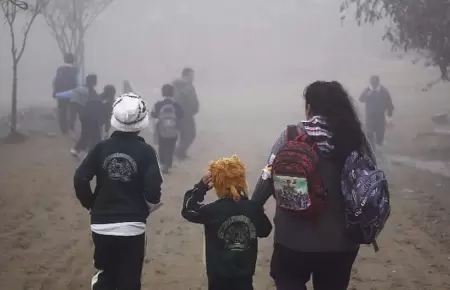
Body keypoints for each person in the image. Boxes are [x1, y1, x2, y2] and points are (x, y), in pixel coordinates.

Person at [252, 81, 367, 290]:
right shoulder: (353, 139)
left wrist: (253, 207)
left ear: (310, 107)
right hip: (340, 242)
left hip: (292, 239)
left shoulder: (291, 135)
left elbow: (267, 175)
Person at [73, 92, 163, 290]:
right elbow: (153, 192)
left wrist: (91, 203)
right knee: (130, 278)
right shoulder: (147, 152)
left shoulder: (101, 147)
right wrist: (146, 205)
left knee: (107, 274)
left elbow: (80, 177)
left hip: (101, 223)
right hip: (133, 225)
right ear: (142, 122)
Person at [182, 155, 272, 290]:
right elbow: (265, 230)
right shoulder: (253, 208)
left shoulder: (213, 210)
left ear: (218, 184)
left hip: (218, 277)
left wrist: (201, 187)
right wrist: (251, 206)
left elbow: (188, 210)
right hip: (245, 278)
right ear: (242, 180)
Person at [151, 84, 183, 174]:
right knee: (171, 147)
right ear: (173, 93)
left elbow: (153, 114)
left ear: (162, 93)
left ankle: (162, 163)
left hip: (161, 130)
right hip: (173, 130)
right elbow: (181, 115)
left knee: (162, 146)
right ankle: (167, 164)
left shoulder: (158, 104)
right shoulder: (176, 105)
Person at [69, 74, 103, 157]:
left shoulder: (81, 90)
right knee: (95, 136)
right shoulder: (87, 91)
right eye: (95, 81)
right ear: (93, 82)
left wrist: (73, 119)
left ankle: (77, 150)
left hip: (85, 116)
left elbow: (74, 104)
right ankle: (89, 153)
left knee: (86, 134)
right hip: (90, 116)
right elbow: (75, 104)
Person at [359, 75, 394, 149]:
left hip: (380, 117)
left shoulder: (383, 91)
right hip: (370, 117)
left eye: (374, 84)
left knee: (379, 135)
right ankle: (372, 150)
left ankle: (380, 145)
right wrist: (367, 95)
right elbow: (361, 99)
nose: (373, 86)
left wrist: (389, 116)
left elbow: (389, 104)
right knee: (369, 133)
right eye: (372, 84)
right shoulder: (368, 90)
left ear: (378, 83)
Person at [172, 67, 199, 160]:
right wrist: (190, 109)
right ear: (186, 75)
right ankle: (178, 152)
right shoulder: (186, 86)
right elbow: (184, 100)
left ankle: (181, 153)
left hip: (185, 114)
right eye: (192, 75)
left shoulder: (185, 85)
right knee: (190, 134)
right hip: (185, 114)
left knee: (185, 135)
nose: (193, 77)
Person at [53, 53, 79, 135]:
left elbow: (55, 81)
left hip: (61, 93)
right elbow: (76, 82)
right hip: (71, 93)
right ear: (72, 60)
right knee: (72, 110)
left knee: (62, 111)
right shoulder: (75, 70)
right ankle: (71, 126)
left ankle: (63, 129)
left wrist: (55, 91)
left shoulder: (60, 69)